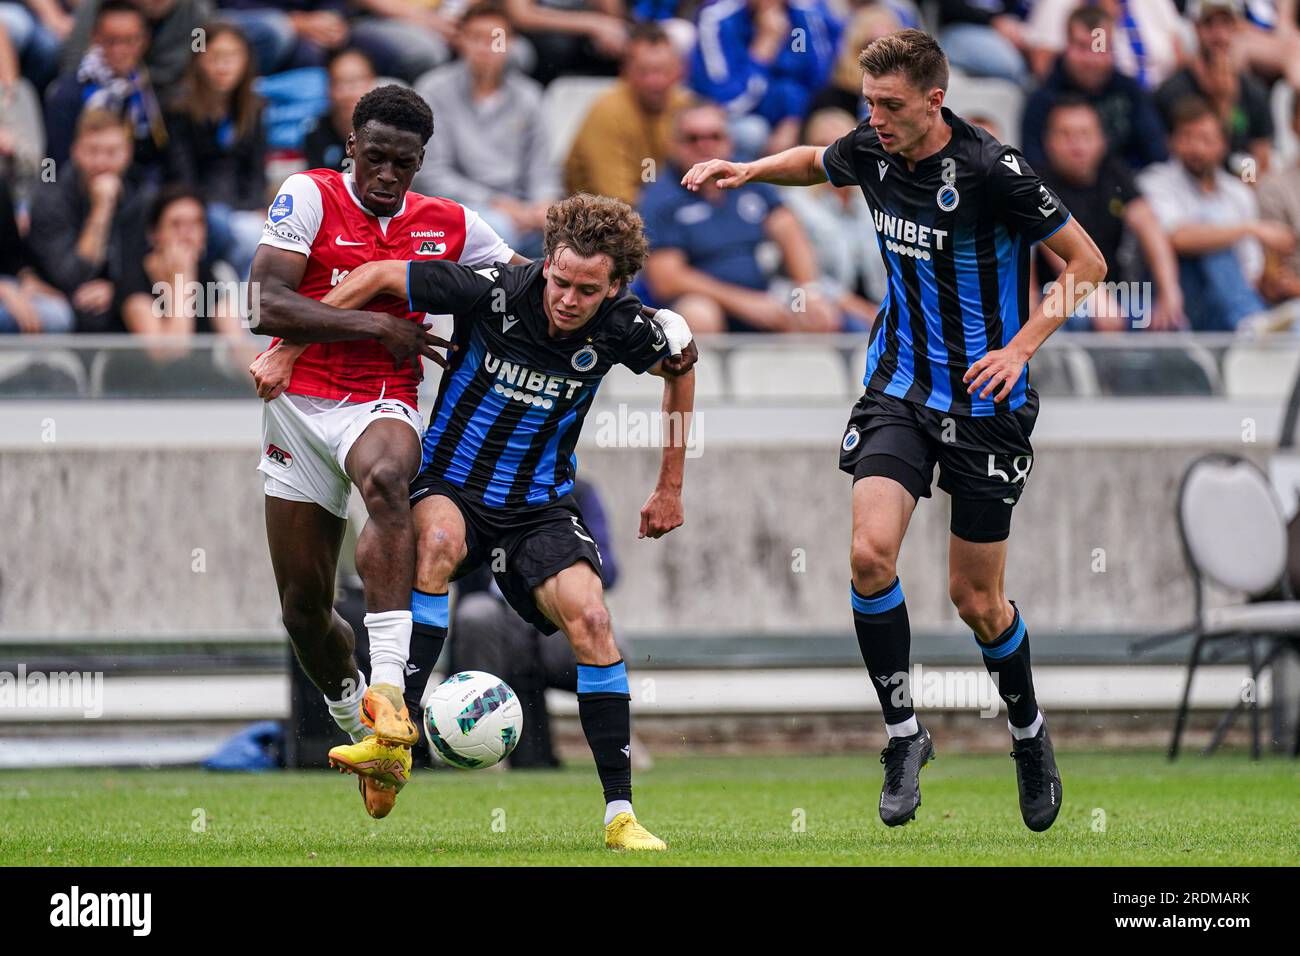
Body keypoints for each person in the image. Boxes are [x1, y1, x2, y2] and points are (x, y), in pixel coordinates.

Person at [682, 28, 1107, 831]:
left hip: (987, 405)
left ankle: (1027, 731)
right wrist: (748, 168)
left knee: (976, 598)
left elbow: (1085, 265)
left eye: (889, 104)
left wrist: (1020, 349)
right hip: (900, 391)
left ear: (934, 101)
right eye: (867, 102)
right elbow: (816, 159)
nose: (872, 117)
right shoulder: (872, 148)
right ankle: (905, 735)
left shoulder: (993, 170)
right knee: (870, 555)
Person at [318, 192, 698, 849]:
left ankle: (620, 816)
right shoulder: (493, 288)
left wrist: (669, 487)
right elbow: (381, 274)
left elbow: (681, 365)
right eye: (560, 281)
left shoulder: (625, 326)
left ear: (615, 287)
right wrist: (295, 347)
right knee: (434, 541)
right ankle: (393, 746)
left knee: (594, 621)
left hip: (539, 505)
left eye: (587, 289)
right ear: (546, 262)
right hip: (452, 484)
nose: (568, 299)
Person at [244, 85, 523, 820]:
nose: (387, 176)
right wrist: (379, 326)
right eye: (375, 158)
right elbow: (262, 305)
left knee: (390, 479)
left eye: (403, 163)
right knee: (303, 610)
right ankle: (356, 725)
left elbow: (528, 281)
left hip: (382, 401)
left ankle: (393, 693)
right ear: (351, 149)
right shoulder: (307, 196)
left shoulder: (450, 224)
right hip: (298, 409)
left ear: (422, 161)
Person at [639, 100, 840, 333]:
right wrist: (744, 303)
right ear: (674, 144)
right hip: (694, 304)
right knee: (700, 315)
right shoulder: (661, 197)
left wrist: (809, 290)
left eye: (715, 136)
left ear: (729, 141)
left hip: (762, 292)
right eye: (693, 138)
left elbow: (787, 228)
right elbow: (667, 279)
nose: (705, 145)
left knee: (819, 314)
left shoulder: (747, 177)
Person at [412, 1, 559, 259]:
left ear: (511, 44)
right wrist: (499, 204)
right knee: (498, 230)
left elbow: (542, 169)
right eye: (476, 38)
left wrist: (542, 206)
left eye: (496, 39)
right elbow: (433, 174)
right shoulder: (434, 90)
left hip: (522, 210)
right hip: (459, 209)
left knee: (568, 239)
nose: (485, 47)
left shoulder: (529, 96)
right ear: (460, 41)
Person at [1137, 95, 1285, 331]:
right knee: (1211, 227)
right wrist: (1249, 229)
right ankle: (1249, 324)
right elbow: (1178, 238)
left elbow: (1250, 267)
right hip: (1171, 298)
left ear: (1223, 145)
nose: (1196, 148)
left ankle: (1250, 323)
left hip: (1224, 300)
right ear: (1171, 142)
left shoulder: (1238, 193)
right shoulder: (1155, 181)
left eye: (1206, 139)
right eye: (1187, 137)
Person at [1037, 95, 1184, 331]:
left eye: (1085, 135)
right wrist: (1092, 294)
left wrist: (1170, 291)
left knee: (1173, 321)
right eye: (1065, 135)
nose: (1076, 145)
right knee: (1081, 317)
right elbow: (1050, 240)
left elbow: (1148, 225)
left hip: (1116, 293)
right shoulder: (1034, 181)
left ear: (1101, 141)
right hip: (1055, 295)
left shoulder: (1115, 173)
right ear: (1048, 142)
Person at [26, 108, 151, 333]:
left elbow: (147, 262)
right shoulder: (49, 198)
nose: (101, 162)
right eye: (92, 151)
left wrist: (117, 290)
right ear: (75, 152)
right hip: (61, 296)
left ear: (127, 153)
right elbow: (69, 275)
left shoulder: (141, 195)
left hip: (119, 295)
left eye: (111, 152)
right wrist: (101, 210)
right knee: (88, 314)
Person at [163, 20, 267, 276]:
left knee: (261, 233)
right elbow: (181, 174)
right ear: (199, 60)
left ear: (246, 61)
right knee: (239, 230)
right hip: (200, 206)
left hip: (241, 208)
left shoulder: (254, 108)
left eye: (232, 57)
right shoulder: (179, 110)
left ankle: (246, 307)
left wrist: (255, 208)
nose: (224, 66)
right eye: (215, 57)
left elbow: (255, 172)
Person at [1020, 4, 1168, 174]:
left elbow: (1157, 155)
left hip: (1124, 187)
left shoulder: (1129, 90)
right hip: (1060, 192)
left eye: (1100, 48)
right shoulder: (1042, 99)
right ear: (1066, 46)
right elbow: (1033, 168)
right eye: (1082, 47)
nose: (1091, 60)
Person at [564, 20, 693, 206]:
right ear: (625, 71)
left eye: (664, 71)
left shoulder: (685, 106)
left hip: (664, 206)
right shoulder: (607, 112)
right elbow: (616, 199)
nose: (655, 82)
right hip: (601, 220)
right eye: (644, 72)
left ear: (681, 71)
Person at [690, 0, 842, 155]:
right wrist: (764, 49)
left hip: (795, 115)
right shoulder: (718, 19)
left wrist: (793, 119)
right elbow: (730, 101)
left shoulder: (805, 17)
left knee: (831, 130)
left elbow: (816, 81)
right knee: (753, 132)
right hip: (736, 116)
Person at [44, 0, 169, 179]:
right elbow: (56, 165)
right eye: (111, 40)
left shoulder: (150, 92)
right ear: (95, 37)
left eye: (129, 41)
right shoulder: (68, 94)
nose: (120, 50)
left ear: (144, 40)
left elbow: (158, 157)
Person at [1155, 0, 1274, 179]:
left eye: (1227, 24)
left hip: (1237, 185)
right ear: (1195, 28)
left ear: (1237, 28)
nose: (1219, 34)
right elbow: (1166, 153)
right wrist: (1219, 104)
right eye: (1209, 24)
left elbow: (1258, 155)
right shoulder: (1173, 91)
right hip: (1184, 184)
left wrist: (1246, 180)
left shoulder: (1253, 91)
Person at [302, 47, 376, 172]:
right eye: (339, 83)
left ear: (372, 82)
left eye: (356, 82)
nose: (348, 93)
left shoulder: (389, 131)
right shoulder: (316, 132)